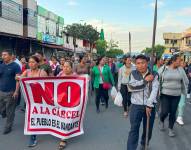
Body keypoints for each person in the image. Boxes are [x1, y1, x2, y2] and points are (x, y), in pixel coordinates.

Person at [127, 55, 159, 150]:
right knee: (134, 129)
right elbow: (131, 87)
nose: (140, 65)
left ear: (147, 63)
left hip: (150, 106)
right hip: (136, 106)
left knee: (148, 129)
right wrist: (144, 81)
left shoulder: (154, 74)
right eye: (138, 63)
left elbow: (155, 89)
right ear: (135, 64)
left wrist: (149, 104)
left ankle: (144, 144)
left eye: (143, 63)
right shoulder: (133, 74)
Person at [16, 55, 48, 147]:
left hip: (40, 100)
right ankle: (33, 137)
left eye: (33, 62)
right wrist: (18, 78)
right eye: (29, 62)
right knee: (31, 118)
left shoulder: (42, 73)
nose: (31, 64)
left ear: (37, 63)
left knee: (41, 117)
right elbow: (19, 78)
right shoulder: (27, 71)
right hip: (29, 100)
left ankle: (48, 128)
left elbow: (48, 85)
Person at [158, 54, 188, 137]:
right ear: (173, 61)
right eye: (179, 60)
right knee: (164, 111)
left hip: (176, 95)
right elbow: (157, 78)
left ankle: (171, 129)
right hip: (165, 94)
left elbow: (186, 80)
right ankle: (162, 120)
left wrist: (183, 86)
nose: (181, 62)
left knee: (173, 112)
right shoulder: (164, 68)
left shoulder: (180, 69)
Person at [0, 49, 21, 134]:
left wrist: (16, 91)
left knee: (10, 111)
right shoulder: (1, 65)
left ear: (10, 56)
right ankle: (3, 112)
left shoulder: (16, 66)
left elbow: (18, 80)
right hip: (1, 91)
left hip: (11, 92)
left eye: (5, 55)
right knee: (2, 109)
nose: (3, 56)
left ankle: (8, 127)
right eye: (2, 55)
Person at [57, 61, 75, 149]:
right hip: (61, 101)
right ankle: (63, 134)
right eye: (64, 66)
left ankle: (63, 139)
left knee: (67, 118)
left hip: (72, 102)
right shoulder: (60, 75)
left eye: (68, 67)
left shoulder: (75, 76)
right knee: (62, 118)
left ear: (71, 68)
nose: (65, 68)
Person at [176, 59, 188, 125]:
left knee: (181, 103)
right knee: (175, 104)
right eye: (182, 63)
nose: (184, 64)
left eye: (184, 63)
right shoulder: (176, 69)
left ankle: (179, 117)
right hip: (174, 90)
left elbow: (186, 81)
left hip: (181, 90)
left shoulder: (183, 70)